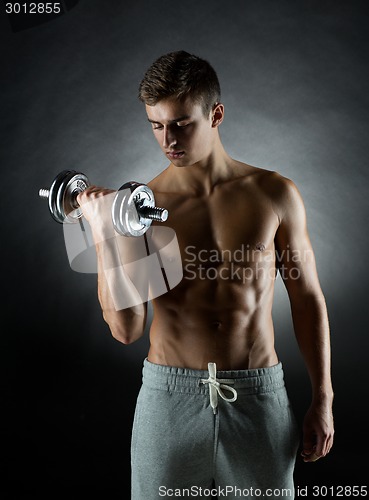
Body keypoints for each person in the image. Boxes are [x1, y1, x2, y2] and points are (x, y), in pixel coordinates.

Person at [77, 51, 334, 499]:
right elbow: (125, 329)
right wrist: (103, 233)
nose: (167, 139)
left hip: (256, 396)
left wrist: (324, 398)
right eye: (156, 126)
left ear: (215, 114)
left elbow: (307, 297)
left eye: (180, 124)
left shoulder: (274, 194)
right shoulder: (140, 210)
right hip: (168, 399)